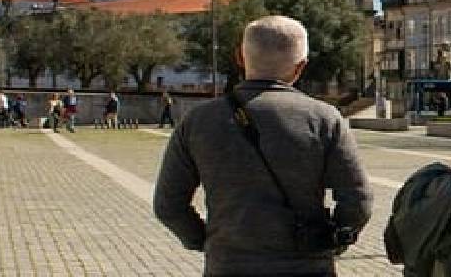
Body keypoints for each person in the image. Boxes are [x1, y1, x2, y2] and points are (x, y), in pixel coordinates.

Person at [155, 15, 370, 276]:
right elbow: (358, 201)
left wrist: (203, 240)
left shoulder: (199, 120)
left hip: (228, 264)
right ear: (300, 67)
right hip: (307, 266)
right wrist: (331, 241)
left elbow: (168, 204)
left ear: (240, 57)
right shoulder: (324, 119)